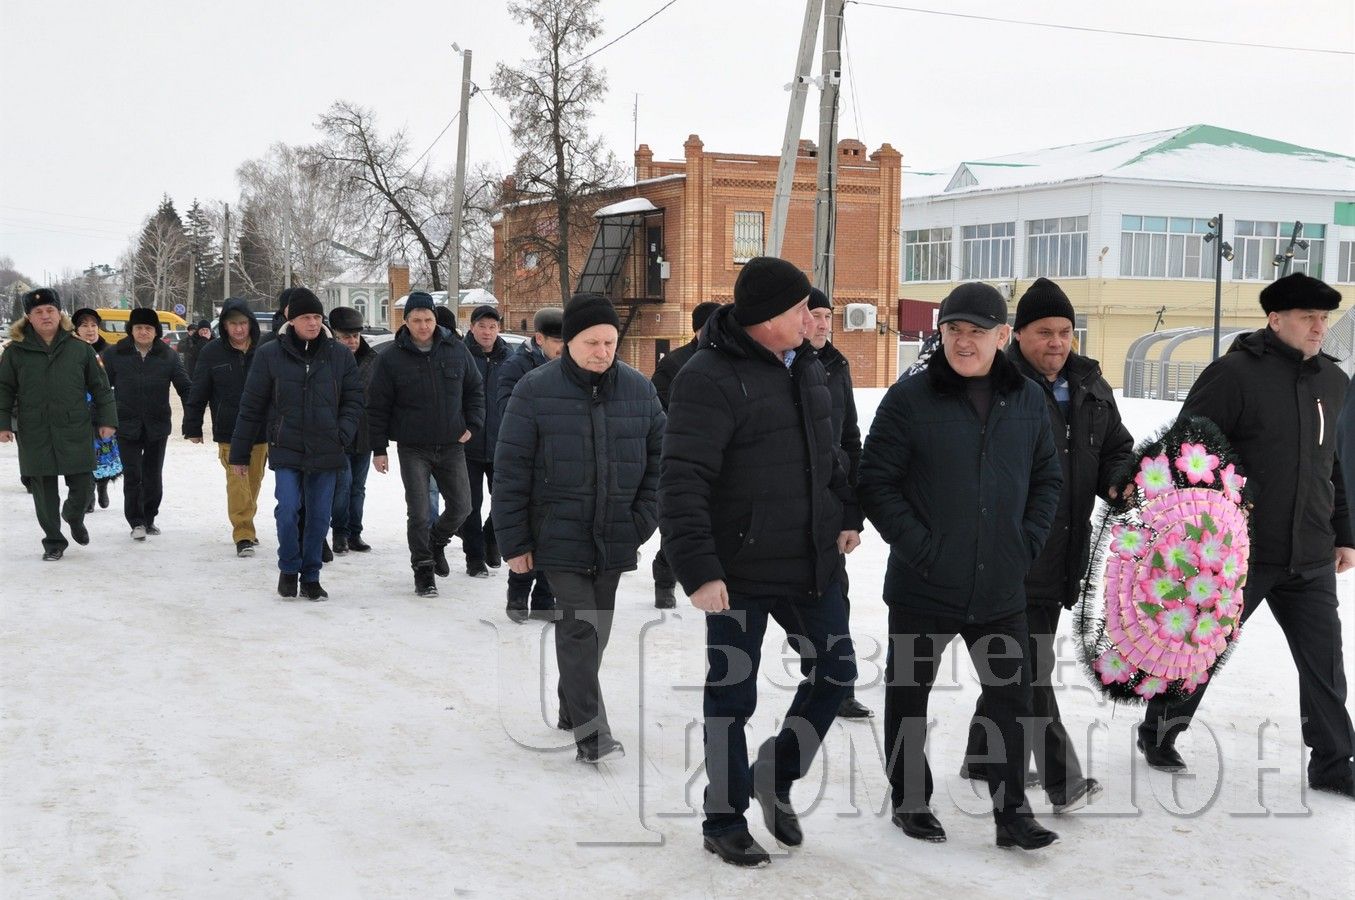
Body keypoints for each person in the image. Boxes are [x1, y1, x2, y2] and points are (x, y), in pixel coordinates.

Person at [660, 257, 861, 868]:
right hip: (738, 573)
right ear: (771, 316)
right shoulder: (709, 376)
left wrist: (845, 514)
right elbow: (682, 480)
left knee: (835, 674)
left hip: (812, 563)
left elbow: (837, 454)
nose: (813, 317)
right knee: (731, 699)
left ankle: (775, 770)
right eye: (802, 308)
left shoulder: (810, 368)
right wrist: (698, 569)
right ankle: (723, 820)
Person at [857, 281, 1063, 851]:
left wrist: (1025, 542)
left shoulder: (1025, 399)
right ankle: (910, 799)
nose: (963, 342)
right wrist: (921, 547)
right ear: (939, 333)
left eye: (976, 332)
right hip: (925, 583)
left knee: (1011, 697)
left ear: (1002, 336)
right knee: (909, 695)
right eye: (953, 330)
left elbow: (1048, 478)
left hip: (1000, 581)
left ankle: (1012, 813)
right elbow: (876, 482)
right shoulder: (910, 399)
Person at [1142, 272, 1355, 799]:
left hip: (1308, 552)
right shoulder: (1234, 374)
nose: (1318, 328)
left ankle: (1333, 761)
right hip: (1239, 551)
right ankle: (1160, 730)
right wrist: (1239, 498)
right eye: (1308, 317)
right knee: (1203, 648)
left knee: (1325, 664)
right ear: (1274, 319)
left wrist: (1343, 531)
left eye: (1323, 318)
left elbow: (1334, 467)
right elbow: (1188, 449)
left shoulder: (1333, 381)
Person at [957, 277, 1134, 813]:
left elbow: (1117, 449)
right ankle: (1062, 778)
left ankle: (983, 755)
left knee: (1017, 663)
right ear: (1018, 335)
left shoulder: (1090, 386)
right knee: (1028, 669)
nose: (1056, 342)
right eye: (1044, 332)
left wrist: (1118, 481)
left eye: (1065, 332)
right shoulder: (998, 385)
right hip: (1008, 551)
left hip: (1062, 553)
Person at [494, 293, 665, 763]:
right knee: (577, 628)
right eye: (592, 342)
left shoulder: (639, 389)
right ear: (569, 342)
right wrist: (515, 542)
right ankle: (592, 733)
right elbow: (510, 470)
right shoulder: (534, 390)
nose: (603, 351)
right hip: (557, 533)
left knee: (597, 631)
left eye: (610, 342)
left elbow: (660, 463)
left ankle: (572, 706)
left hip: (615, 533)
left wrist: (641, 519)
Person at [229, 287, 364, 600]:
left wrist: (341, 432)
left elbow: (355, 399)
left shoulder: (339, 354)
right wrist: (240, 453)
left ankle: (311, 575)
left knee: (319, 517)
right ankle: (289, 569)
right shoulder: (269, 354)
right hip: (287, 446)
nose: (314, 323)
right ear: (291, 319)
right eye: (306, 317)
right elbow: (251, 406)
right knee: (288, 510)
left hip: (327, 448)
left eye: (317, 317)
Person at [367, 291, 485, 597]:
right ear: (406, 322)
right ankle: (423, 569)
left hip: (451, 444)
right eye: (417, 320)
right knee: (419, 511)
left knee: (462, 506)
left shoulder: (456, 350)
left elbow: (475, 390)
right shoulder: (391, 358)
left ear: (436, 320)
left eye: (428, 319)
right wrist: (379, 448)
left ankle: (436, 541)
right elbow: (377, 406)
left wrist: (472, 425)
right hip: (413, 447)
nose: (423, 325)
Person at [0, 288, 117, 560]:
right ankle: (53, 540)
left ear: (59, 313)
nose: (45, 315)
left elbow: (101, 389)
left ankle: (74, 515)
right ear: (28, 317)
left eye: (50, 310)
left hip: (74, 427)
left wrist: (108, 420)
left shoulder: (80, 349)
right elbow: (3, 389)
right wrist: (3, 423)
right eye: (38, 312)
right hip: (34, 429)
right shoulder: (15, 352)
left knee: (84, 482)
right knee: (43, 489)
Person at [806, 287, 874, 721]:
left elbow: (850, 437)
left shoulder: (836, 364)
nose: (824, 323)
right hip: (783, 508)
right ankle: (820, 674)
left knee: (835, 596)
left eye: (828, 315)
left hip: (830, 503)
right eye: (815, 314)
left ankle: (838, 685)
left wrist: (853, 513)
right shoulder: (785, 364)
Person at [649, 299, 720, 609]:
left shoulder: (731, 360)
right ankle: (664, 577)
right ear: (698, 329)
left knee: (715, 523)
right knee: (681, 519)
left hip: (720, 459)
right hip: (681, 456)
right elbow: (657, 410)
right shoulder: (674, 364)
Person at [183, 298, 268, 557]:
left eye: (243, 323)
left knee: (253, 482)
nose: (239, 329)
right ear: (225, 326)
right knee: (237, 481)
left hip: (261, 429)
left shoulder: (265, 349)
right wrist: (193, 425)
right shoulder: (212, 352)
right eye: (233, 324)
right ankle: (243, 533)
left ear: (251, 324)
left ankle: (246, 522)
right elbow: (199, 390)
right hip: (228, 429)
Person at [496, 307, 564, 623]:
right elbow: (507, 412)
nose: (563, 349)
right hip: (527, 461)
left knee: (555, 536)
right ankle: (518, 593)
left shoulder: (569, 369)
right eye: (558, 342)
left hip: (560, 465)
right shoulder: (515, 368)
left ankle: (545, 597)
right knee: (527, 532)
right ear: (539, 339)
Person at [101, 306, 191, 540]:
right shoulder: (114, 354)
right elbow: (101, 389)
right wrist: (101, 419)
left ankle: (149, 517)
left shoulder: (168, 355)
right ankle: (136, 521)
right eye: (139, 328)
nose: (143, 332)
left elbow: (184, 386)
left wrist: (195, 412)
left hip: (157, 424)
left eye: (148, 328)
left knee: (153, 476)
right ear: (131, 330)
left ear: (156, 331)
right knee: (133, 475)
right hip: (126, 424)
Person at [461, 304, 511, 576]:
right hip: (467, 444)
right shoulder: (461, 354)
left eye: (492, 326)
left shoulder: (509, 357)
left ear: (499, 329)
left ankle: (491, 538)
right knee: (470, 504)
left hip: (501, 444)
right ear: (472, 327)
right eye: (482, 326)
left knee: (503, 500)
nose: (487, 332)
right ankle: (474, 557)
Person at [328, 306, 378, 555]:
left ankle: (355, 532)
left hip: (365, 435)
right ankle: (339, 532)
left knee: (359, 487)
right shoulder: (328, 359)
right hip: (338, 436)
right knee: (342, 486)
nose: (352, 341)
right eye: (346, 336)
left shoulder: (372, 360)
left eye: (355, 336)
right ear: (334, 336)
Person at [72, 307, 122, 513]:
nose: (90, 330)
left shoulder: (110, 351)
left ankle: (102, 487)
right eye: (84, 326)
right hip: (79, 411)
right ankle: (89, 492)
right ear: (76, 330)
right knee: (84, 454)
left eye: (93, 325)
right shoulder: (71, 351)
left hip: (103, 410)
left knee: (104, 453)